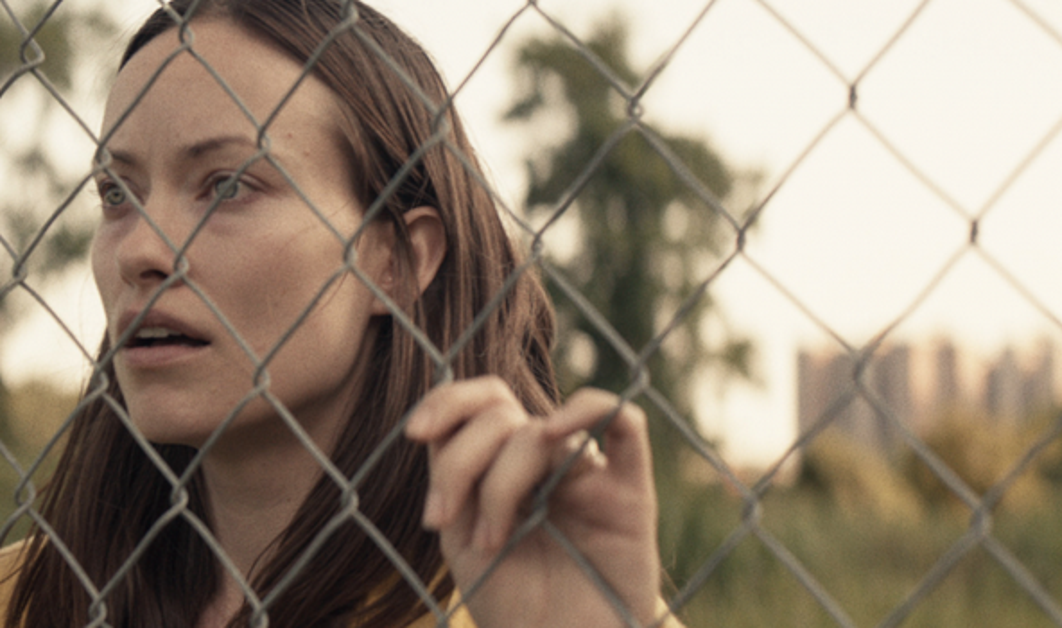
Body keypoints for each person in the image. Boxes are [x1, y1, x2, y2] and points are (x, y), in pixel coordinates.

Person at [0, 0, 680, 626]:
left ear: (399, 261)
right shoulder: (24, 596)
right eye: (117, 192)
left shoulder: (547, 599)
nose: (140, 250)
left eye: (229, 185)